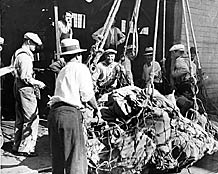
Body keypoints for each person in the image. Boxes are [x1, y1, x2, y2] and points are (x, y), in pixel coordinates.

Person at [47, 38, 99, 174]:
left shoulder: (63, 71)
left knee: (58, 159)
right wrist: (97, 109)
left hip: (54, 114)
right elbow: (87, 95)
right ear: (78, 55)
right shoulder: (81, 68)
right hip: (69, 115)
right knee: (75, 159)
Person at [11, 32, 46, 157]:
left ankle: (16, 145)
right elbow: (25, 77)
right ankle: (26, 148)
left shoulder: (17, 54)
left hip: (17, 86)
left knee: (20, 117)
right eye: (35, 45)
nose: (35, 48)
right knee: (31, 118)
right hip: (26, 88)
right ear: (29, 42)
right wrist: (38, 83)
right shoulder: (25, 57)